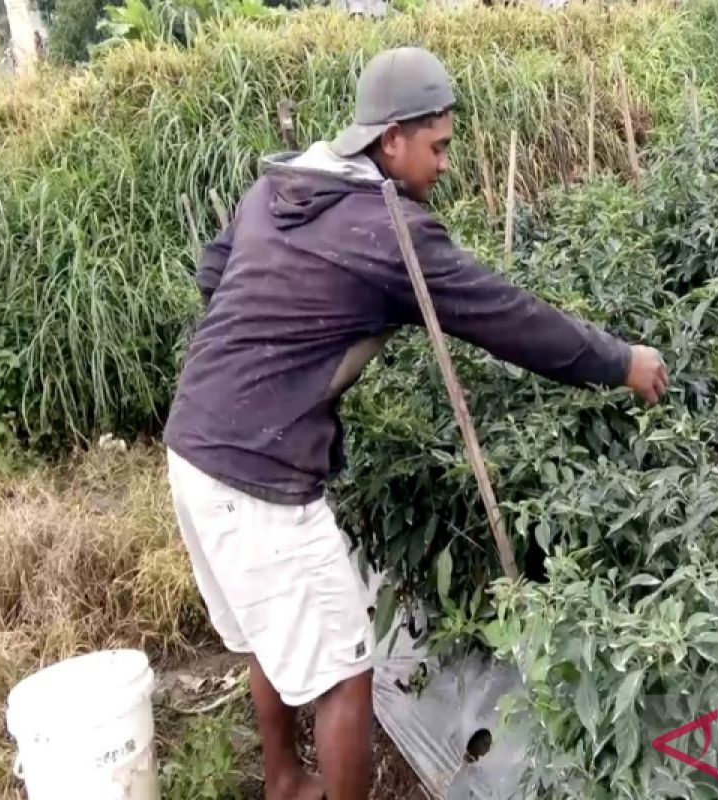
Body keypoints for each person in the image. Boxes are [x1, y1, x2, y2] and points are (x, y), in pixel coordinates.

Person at [163, 47, 669, 800]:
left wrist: (276, 349)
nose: (442, 165)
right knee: (344, 675)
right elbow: (507, 317)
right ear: (390, 138)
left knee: (267, 635)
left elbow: (215, 271)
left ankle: (282, 780)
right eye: (436, 147)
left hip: (192, 446)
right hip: (258, 480)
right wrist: (619, 360)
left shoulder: (286, 182)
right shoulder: (388, 231)